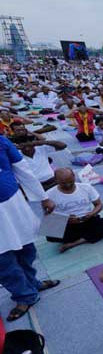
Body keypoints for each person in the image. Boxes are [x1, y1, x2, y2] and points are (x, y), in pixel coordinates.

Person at [0, 135, 60, 321]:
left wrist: (43, 197)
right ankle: (25, 296)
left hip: (13, 205)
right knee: (3, 261)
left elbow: (22, 169)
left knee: (27, 248)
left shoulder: (1, 141)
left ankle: (32, 282)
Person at [46, 168, 103, 252]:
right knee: (49, 234)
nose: (68, 185)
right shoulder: (49, 194)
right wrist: (65, 219)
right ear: (56, 180)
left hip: (89, 221)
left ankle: (75, 243)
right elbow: (47, 217)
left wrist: (91, 214)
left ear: (74, 176)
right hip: (68, 225)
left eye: (70, 181)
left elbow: (99, 205)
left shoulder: (86, 187)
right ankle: (89, 236)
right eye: (64, 183)